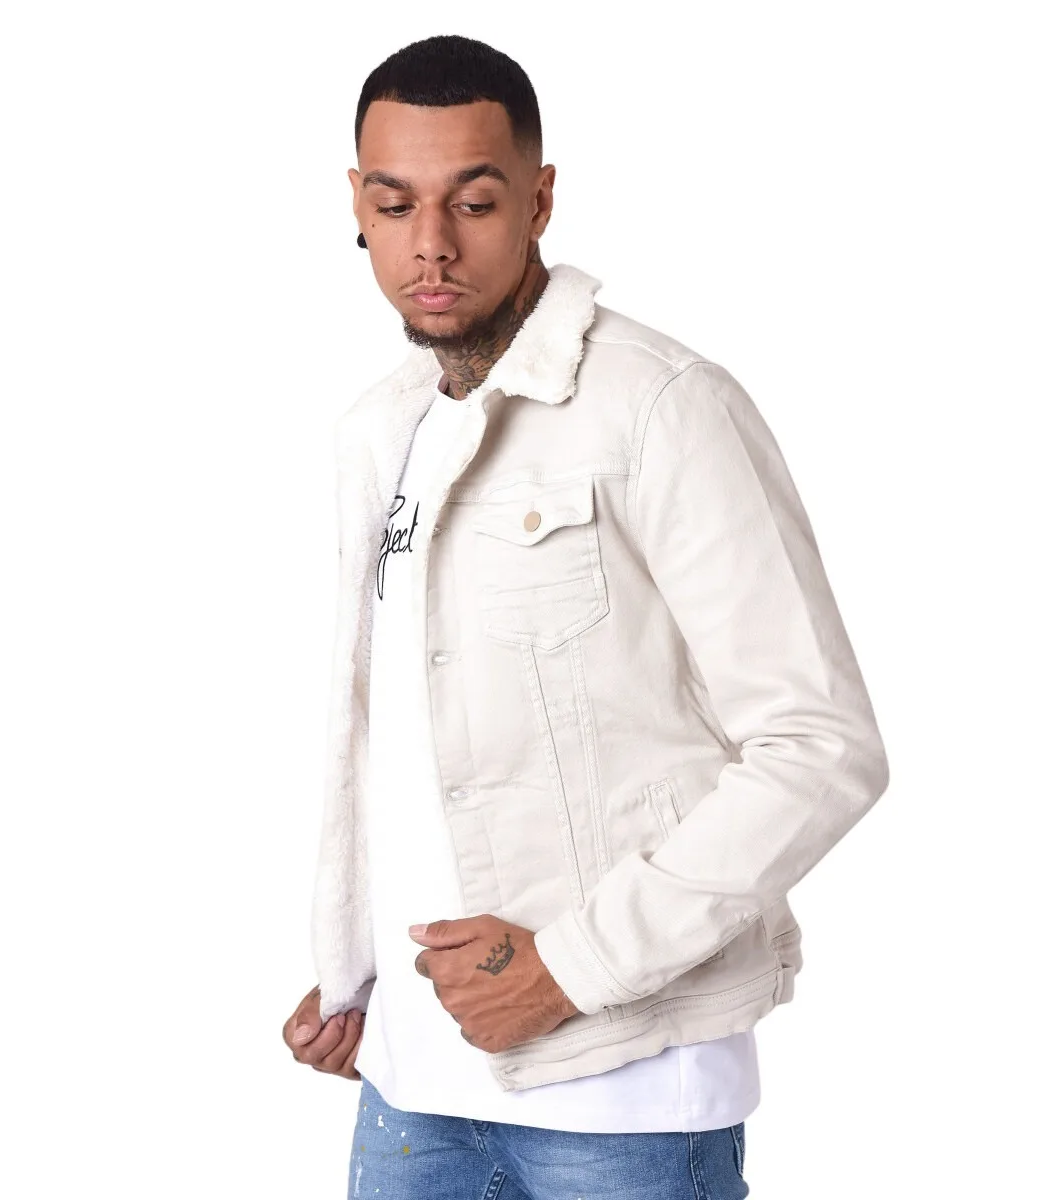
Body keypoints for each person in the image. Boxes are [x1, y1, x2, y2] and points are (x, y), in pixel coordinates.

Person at [282, 33, 889, 1199]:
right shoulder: (380, 431)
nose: (432, 243)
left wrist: (570, 967)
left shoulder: (660, 407)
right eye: (396, 205)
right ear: (357, 204)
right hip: (409, 1092)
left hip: (626, 1099)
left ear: (541, 199)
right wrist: (353, 969)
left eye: (474, 201)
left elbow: (820, 746)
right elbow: (409, 744)